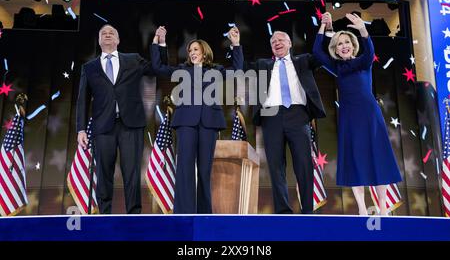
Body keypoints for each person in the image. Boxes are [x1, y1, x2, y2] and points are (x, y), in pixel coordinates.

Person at [313, 12, 402, 215]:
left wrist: (363, 29)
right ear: (335, 50)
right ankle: (362, 207)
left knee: (378, 156)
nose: (343, 46)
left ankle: (382, 206)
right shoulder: (337, 67)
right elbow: (317, 52)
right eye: (339, 44)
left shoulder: (364, 61)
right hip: (349, 118)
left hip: (370, 115)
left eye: (346, 42)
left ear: (353, 45)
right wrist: (322, 25)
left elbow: (370, 50)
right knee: (354, 158)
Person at [151, 26, 243, 214]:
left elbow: (238, 69)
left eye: (195, 49)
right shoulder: (182, 69)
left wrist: (236, 45)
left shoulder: (216, 69)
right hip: (186, 122)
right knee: (184, 167)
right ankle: (183, 211)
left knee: (204, 169)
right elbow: (159, 68)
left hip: (209, 123)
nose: (192, 53)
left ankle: (203, 212)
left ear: (204, 52)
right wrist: (159, 43)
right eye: (190, 50)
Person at [76, 24, 156, 214]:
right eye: (103, 33)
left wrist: (158, 45)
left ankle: (134, 215)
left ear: (118, 40)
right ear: (99, 40)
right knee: (104, 173)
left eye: (112, 32)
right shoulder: (89, 67)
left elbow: (156, 69)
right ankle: (104, 215)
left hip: (131, 125)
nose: (108, 35)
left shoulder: (133, 60)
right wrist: (80, 129)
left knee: (132, 173)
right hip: (103, 127)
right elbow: (82, 100)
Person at [247, 31, 326, 214]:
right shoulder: (262, 64)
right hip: (270, 116)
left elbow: (322, 56)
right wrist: (235, 45)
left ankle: (307, 210)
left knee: (304, 164)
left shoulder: (303, 61)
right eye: (273, 41)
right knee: (275, 166)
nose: (277, 42)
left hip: (298, 115)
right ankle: (282, 211)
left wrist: (324, 30)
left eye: (281, 39)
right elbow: (239, 67)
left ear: (290, 43)